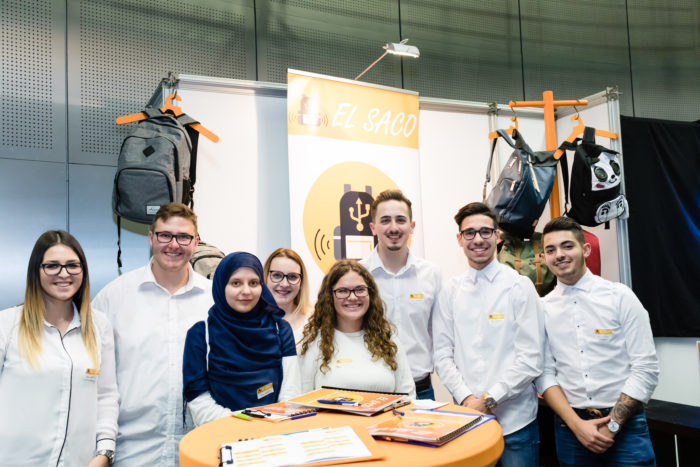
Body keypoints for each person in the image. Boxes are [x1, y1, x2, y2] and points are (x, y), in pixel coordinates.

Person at [92, 203, 212, 466]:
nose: (174, 244)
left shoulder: (215, 300)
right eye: (165, 235)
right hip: (131, 452)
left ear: (196, 242)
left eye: (184, 237)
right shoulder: (113, 298)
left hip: (199, 449)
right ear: (151, 238)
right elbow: (93, 380)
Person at [536, 216, 659, 466]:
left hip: (625, 428)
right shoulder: (542, 308)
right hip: (571, 429)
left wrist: (612, 426)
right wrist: (576, 425)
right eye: (551, 250)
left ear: (586, 249)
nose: (559, 255)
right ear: (544, 258)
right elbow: (545, 374)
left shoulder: (620, 297)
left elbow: (646, 369)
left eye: (567, 246)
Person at [433, 202, 544, 467]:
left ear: (497, 236)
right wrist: (466, 398)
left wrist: (488, 400)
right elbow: (442, 354)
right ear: (459, 239)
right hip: (467, 420)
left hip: (516, 423)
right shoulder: (450, 291)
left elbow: (531, 358)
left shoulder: (519, 286)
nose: (478, 239)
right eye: (469, 233)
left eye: (485, 231)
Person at [0, 230, 118, 467]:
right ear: (36, 271)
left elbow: (106, 396)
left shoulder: (99, 325)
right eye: (52, 266)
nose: (64, 274)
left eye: (72, 265)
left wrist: (105, 453)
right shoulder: (7, 324)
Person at [183, 252, 300, 426]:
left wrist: (267, 426)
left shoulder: (280, 329)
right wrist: (245, 425)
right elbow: (198, 400)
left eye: (253, 283)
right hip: (219, 435)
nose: (246, 291)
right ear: (221, 285)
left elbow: (290, 394)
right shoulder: (200, 334)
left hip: (272, 434)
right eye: (236, 283)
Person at [360, 189, 441, 400]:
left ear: (412, 227)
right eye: (385, 220)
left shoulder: (431, 274)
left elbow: (440, 335)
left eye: (401, 220)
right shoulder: (358, 275)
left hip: (421, 391)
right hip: (371, 392)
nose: (394, 227)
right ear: (373, 228)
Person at [298, 260, 416, 398]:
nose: (353, 297)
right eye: (342, 291)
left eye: (360, 289)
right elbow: (301, 398)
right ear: (330, 296)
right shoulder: (313, 341)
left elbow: (407, 394)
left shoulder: (387, 338)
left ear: (370, 293)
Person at [263, 248, 313, 343]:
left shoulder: (315, 322)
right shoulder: (251, 321)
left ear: (301, 282)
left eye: (292, 277)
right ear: (266, 277)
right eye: (277, 275)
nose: (284, 284)